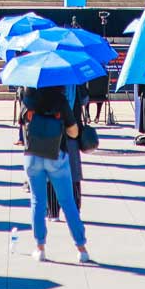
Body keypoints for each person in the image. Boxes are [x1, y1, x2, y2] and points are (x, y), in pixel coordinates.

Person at [21, 81, 92, 264]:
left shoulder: (28, 97)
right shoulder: (60, 100)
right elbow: (73, 132)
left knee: (37, 201)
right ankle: (81, 247)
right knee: (68, 202)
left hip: (33, 154)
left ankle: (40, 246)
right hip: (56, 154)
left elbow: (23, 121)